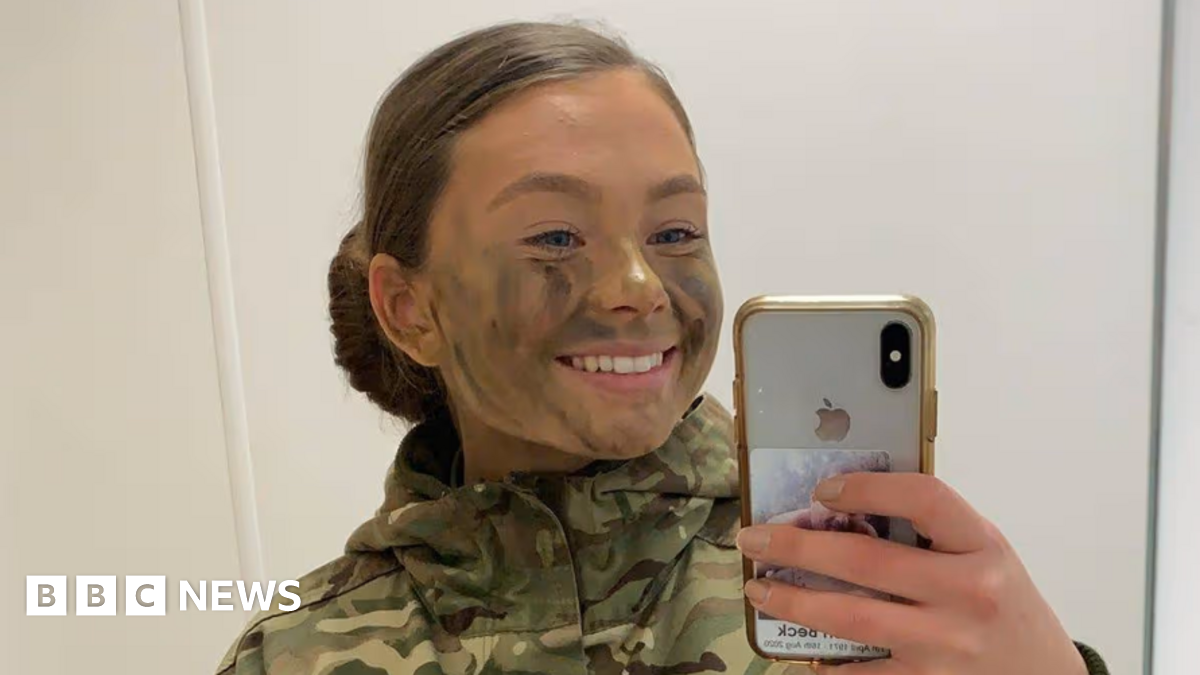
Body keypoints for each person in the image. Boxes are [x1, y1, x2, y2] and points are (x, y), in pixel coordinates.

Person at [217, 21, 1109, 675]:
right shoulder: (295, 655)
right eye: (556, 238)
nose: (640, 288)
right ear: (409, 308)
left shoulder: (875, 593)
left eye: (676, 230)